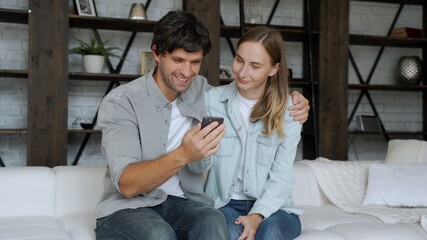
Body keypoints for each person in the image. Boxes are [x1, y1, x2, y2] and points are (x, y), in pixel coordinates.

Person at [95, 10, 309, 240]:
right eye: (178, 60)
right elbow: (127, 184)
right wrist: (184, 154)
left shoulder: (202, 91)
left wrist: (295, 100)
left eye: (195, 62)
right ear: (156, 53)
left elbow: (246, 94)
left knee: (212, 220)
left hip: (182, 203)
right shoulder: (122, 102)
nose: (186, 73)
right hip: (130, 207)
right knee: (159, 234)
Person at [200, 26, 304, 240]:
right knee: (232, 232)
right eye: (239, 60)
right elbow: (197, 166)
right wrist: (197, 151)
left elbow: (282, 177)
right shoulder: (211, 101)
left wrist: (257, 215)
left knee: (270, 232)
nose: (242, 72)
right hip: (225, 203)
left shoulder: (290, 112)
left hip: (276, 208)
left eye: (255, 66)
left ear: (274, 69)